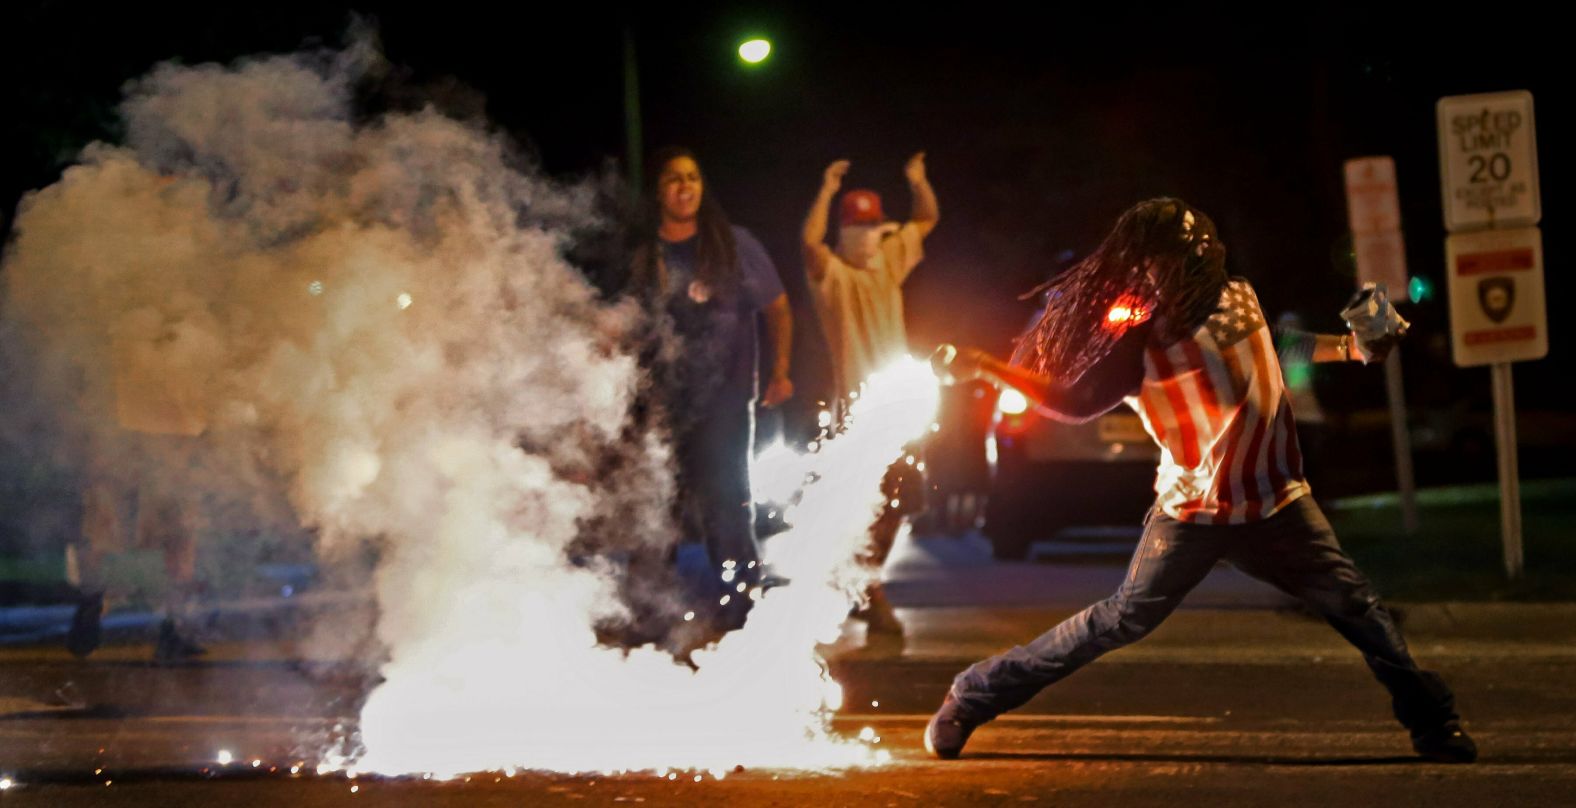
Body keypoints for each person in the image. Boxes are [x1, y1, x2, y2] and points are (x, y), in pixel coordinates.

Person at [924, 198, 1475, 763]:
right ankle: (974, 694)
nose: (1179, 270)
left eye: (1189, 256)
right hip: (1194, 513)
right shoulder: (1138, 330)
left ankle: (1435, 724)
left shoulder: (1237, 292)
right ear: (1143, 266)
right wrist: (987, 366)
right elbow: (1078, 403)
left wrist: (1352, 348)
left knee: (1357, 608)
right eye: (1164, 261)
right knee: (1119, 621)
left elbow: (1275, 341)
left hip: (1276, 501)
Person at [629, 147, 794, 628]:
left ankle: (742, 608)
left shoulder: (733, 244)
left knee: (727, 502)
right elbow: (629, 322)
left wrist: (780, 370)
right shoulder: (647, 254)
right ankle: (651, 612)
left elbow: (779, 309)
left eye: (693, 178)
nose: (686, 187)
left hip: (724, 399)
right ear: (660, 192)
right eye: (675, 179)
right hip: (662, 401)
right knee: (655, 506)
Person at [801, 153, 939, 637]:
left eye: (873, 226)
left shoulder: (887, 266)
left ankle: (865, 580)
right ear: (846, 232)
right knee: (867, 503)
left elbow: (926, 219)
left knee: (901, 502)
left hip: (899, 408)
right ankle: (867, 589)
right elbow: (809, 244)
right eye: (859, 228)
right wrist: (825, 191)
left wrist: (917, 182)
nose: (868, 236)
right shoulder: (835, 278)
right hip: (857, 415)